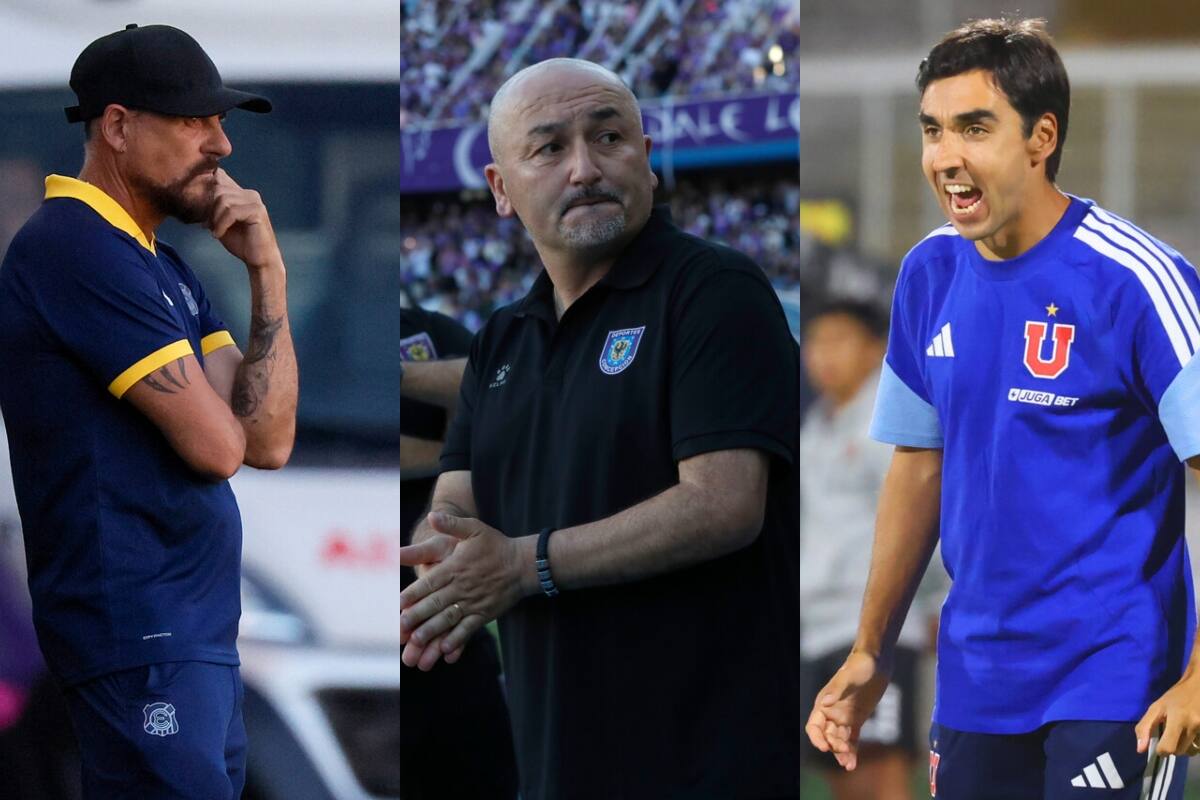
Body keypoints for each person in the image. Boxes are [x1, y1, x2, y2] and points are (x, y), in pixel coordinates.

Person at [805, 17, 1200, 799]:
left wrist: (1199, 675)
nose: (945, 157)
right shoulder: (927, 274)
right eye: (933, 130)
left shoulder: (1138, 280)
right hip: (976, 679)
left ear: (1040, 137)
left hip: (1116, 677)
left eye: (974, 128)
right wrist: (870, 647)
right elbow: (917, 467)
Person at [399, 58, 800, 799]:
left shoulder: (715, 293)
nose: (584, 167)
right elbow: (457, 495)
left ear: (648, 160)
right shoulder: (500, 339)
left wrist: (521, 565)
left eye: (608, 137)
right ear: (501, 190)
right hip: (556, 763)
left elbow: (723, 503)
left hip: (702, 767)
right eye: (549, 148)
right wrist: (443, 558)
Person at [0, 24, 298, 799]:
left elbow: (267, 438)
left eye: (221, 122)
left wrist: (269, 275)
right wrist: (224, 417)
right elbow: (216, 447)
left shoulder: (159, 263)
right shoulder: (75, 245)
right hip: (139, 636)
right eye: (195, 121)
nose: (222, 145)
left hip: (189, 641)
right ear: (119, 126)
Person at [800, 299, 942, 800]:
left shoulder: (888, 422)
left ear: (875, 350)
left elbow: (923, 514)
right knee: (844, 774)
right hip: (818, 627)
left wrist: (930, 601)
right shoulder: (817, 425)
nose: (823, 355)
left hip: (872, 626)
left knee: (876, 773)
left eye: (839, 341)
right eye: (816, 343)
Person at [400, 305, 518, 800]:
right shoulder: (320, 326)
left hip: (450, 632)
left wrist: (398, 374)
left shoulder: (426, 330)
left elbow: (498, 383)